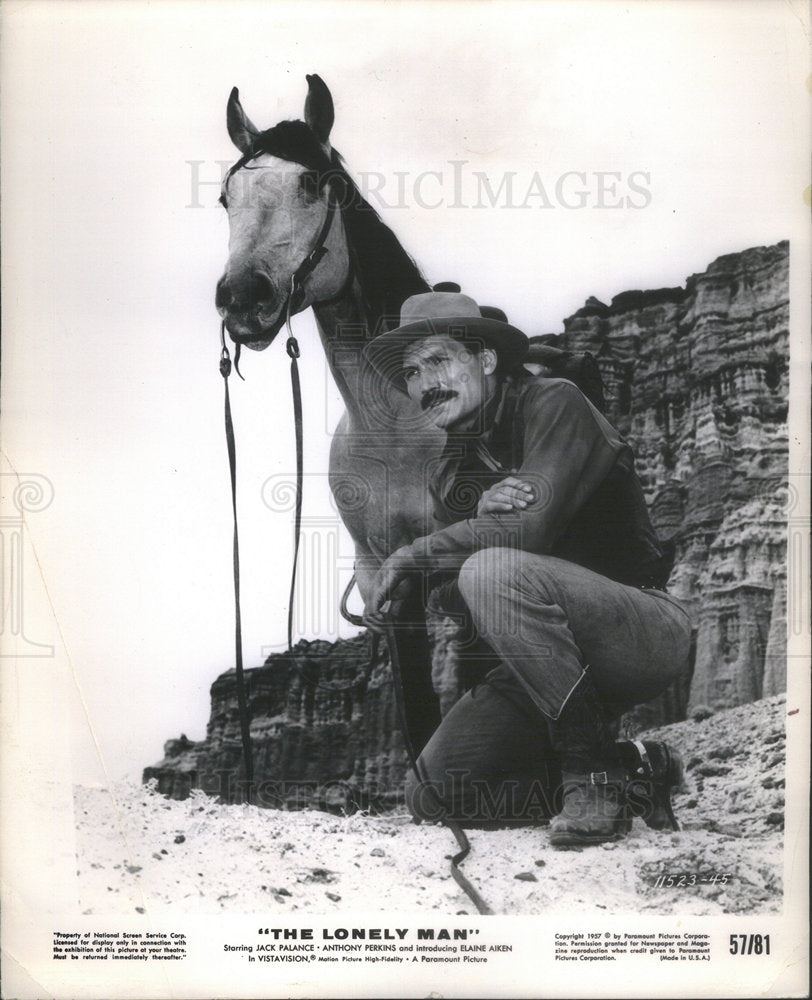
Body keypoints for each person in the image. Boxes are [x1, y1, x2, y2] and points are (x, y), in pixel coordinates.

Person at [362, 290, 692, 847]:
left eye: (439, 361)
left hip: (639, 631)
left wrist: (418, 554)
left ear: (487, 361)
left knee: (492, 570)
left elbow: (523, 535)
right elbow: (448, 595)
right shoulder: (449, 471)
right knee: (434, 795)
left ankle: (589, 776)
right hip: (538, 663)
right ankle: (633, 774)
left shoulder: (554, 402)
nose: (424, 384)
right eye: (412, 372)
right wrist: (470, 537)